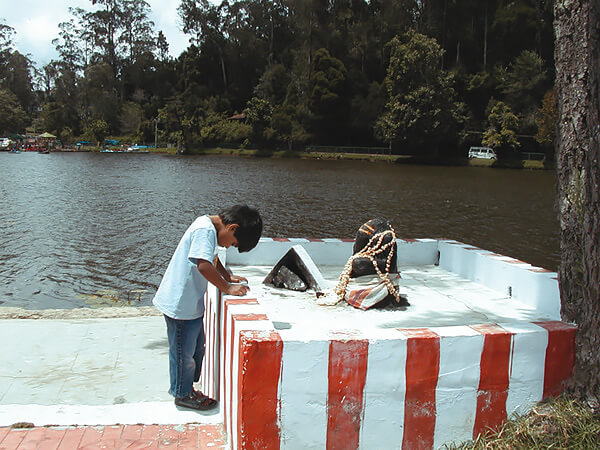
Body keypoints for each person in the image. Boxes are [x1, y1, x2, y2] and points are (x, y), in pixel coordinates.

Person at [153, 204, 263, 410]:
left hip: (190, 305)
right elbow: (203, 265)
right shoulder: (204, 230)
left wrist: (226, 275)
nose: (228, 247)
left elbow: (212, 258)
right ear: (232, 228)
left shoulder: (209, 227)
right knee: (182, 354)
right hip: (180, 306)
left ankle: (187, 387)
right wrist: (227, 287)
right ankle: (182, 394)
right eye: (232, 243)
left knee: (196, 349)